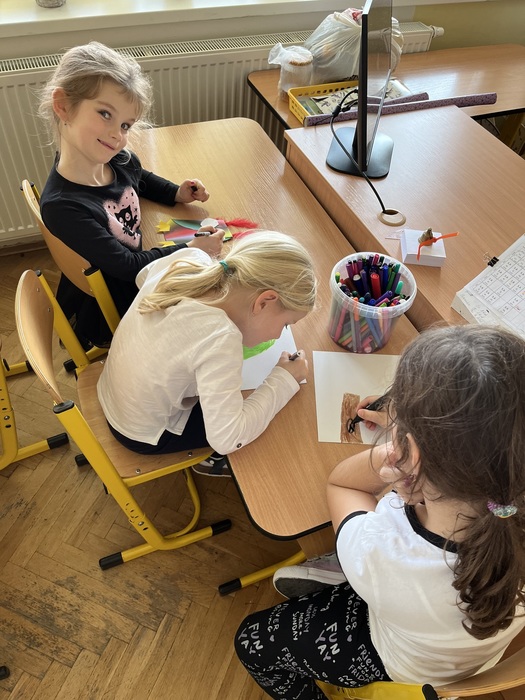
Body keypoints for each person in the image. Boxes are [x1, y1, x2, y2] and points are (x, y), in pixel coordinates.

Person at [235, 324, 525, 697]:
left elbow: (343, 484)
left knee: (251, 641)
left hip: (395, 657)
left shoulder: (383, 551)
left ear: (411, 455)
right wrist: (421, 439)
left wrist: (402, 448)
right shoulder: (504, 508)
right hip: (457, 653)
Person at [38, 41, 223, 347]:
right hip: (125, 299)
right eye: (105, 114)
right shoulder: (63, 206)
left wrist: (176, 193)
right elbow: (127, 266)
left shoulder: (115, 159)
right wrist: (191, 248)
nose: (117, 135)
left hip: (140, 264)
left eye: (125, 124)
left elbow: (140, 178)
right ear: (63, 106)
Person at [97, 230, 317, 476]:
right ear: (264, 302)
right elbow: (228, 437)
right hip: (141, 432)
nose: (278, 336)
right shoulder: (221, 338)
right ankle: (212, 462)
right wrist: (285, 379)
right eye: (286, 324)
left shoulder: (190, 258)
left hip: (111, 390)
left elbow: (142, 278)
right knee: (268, 429)